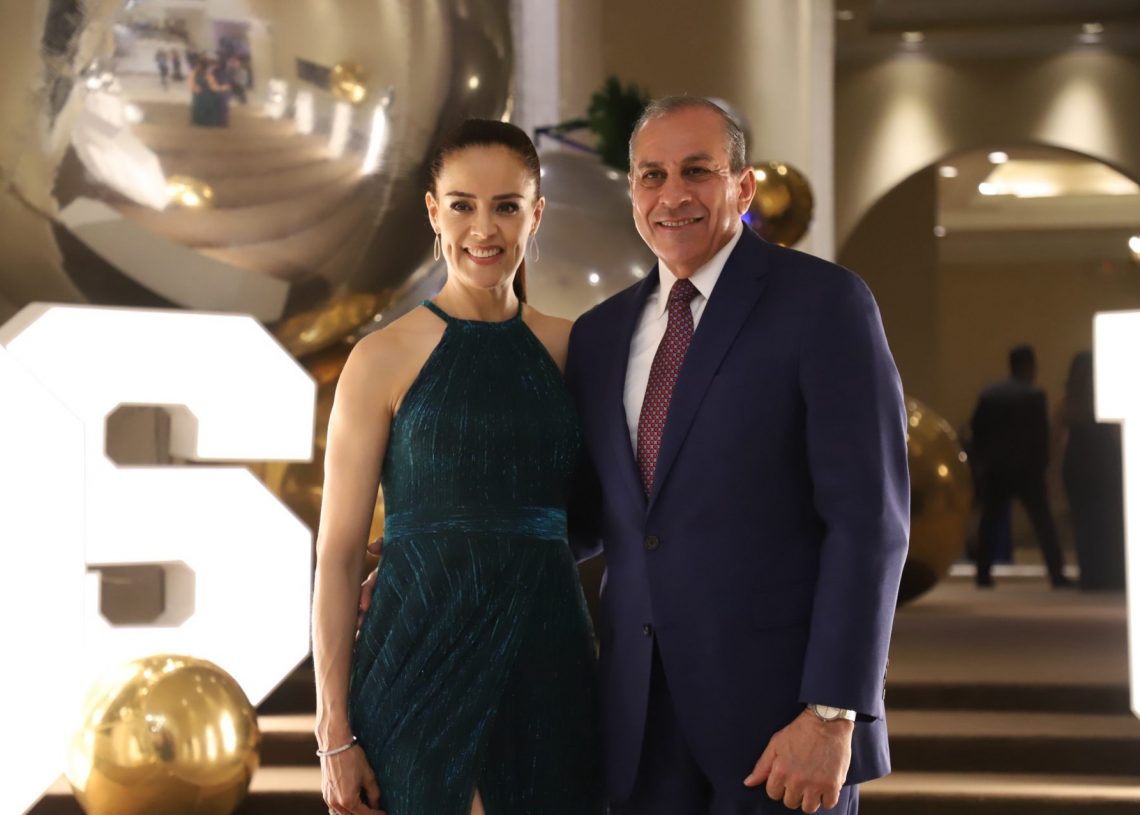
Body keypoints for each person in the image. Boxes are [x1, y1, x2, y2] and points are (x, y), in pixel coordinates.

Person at [562, 96, 910, 815]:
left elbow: (869, 523)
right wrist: (438, 555)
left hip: (781, 729)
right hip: (637, 730)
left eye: (697, 170)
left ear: (742, 187)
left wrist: (831, 713)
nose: (672, 195)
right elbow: (591, 518)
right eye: (652, 175)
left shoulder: (825, 303)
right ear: (633, 190)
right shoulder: (597, 335)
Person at [313, 120, 603, 815]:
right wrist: (332, 730)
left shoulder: (576, 349)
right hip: (414, 657)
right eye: (463, 204)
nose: (484, 228)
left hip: (548, 655)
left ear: (536, 215)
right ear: (433, 210)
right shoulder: (379, 358)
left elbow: (612, 511)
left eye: (507, 206)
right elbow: (339, 554)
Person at [970, 344, 1073, 588]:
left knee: (990, 521)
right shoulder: (1034, 396)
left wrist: (983, 460)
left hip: (996, 468)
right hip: (1027, 469)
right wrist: (1044, 467)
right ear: (1029, 366)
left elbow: (977, 429)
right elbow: (1040, 436)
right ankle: (1056, 574)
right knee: (1043, 523)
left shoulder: (990, 394)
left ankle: (983, 573)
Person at [1059, 351, 1125, 591]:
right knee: (1109, 519)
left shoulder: (1069, 402)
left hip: (1077, 461)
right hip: (1104, 461)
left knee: (1083, 522)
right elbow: (1116, 434)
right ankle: (1112, 573)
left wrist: (1054, 472)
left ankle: (1091, 574)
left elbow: (1057, 437)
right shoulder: (1105, 399)